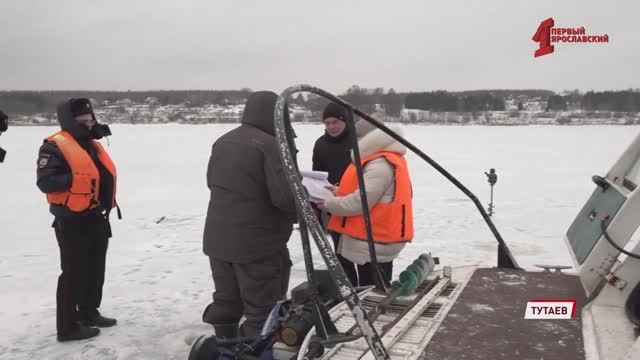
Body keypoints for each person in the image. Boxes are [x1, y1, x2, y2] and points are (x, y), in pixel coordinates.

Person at [202, 91, 297, 339]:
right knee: (261, 311)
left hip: (217, 240)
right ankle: (254, 353)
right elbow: (285, 198)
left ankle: (225, 346)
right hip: (257, 246)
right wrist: (306, 202)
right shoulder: (270, 145)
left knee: (226, 301)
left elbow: (212, 182)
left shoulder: (223, 141)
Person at [36, 98, 119, 342]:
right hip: (71, 219)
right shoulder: (54, 146)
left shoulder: (92, 145)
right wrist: (75, 179)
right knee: (73, 273)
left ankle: (88, 312)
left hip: (96, 216)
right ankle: (67, 327)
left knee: (95, 269)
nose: (89, 124)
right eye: (83, 121)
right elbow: (45, 182)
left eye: (91, 120)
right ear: (69, 121)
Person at [319, 114, 414, 287]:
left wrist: (329, 204)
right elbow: (377, 195)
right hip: (379, 236)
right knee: (375, 285)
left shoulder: (379, 163)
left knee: (372, 290)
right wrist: (338, 191)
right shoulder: (388, 158)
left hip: (375, 238)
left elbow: (360, 202)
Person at [312, 102, 357, 286]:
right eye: (327, 123)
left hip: (357, 206)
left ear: (345, 121)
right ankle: (349, 289)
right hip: (333, 207)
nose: (331, 127)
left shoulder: (359, 142)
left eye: (335, 122)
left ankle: (369, 289)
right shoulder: (321, 144)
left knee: (363, 255)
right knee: (341, 254)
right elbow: (317, 174)